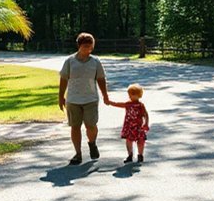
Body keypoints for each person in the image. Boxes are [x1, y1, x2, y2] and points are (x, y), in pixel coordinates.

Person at [58, 33, 110, 165]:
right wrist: (60, 97)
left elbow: (101, 79)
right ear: (79, 46)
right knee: (75, 127)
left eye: (90, 46)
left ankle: (92, 144)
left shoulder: (95, 61)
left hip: (90, 99)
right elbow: (63, 79)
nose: (88, 49)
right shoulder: (70, 61)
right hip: (73, 99)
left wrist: (105, 95)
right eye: (86, 46)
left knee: (91, 125)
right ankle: (78, 154)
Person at [106, 84, 150, 163]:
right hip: (129, 126)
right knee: (129, 140)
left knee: (141, 141)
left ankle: (140, 155)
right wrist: (110, 102)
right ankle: (130, 155)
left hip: (138, 126)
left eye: (132, 95)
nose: (130, 96)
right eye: (129, 94)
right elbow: (119, 104)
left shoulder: (140, 105)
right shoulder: (128, 104)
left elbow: (145, 114)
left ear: (139, 95)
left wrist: (146, 123)